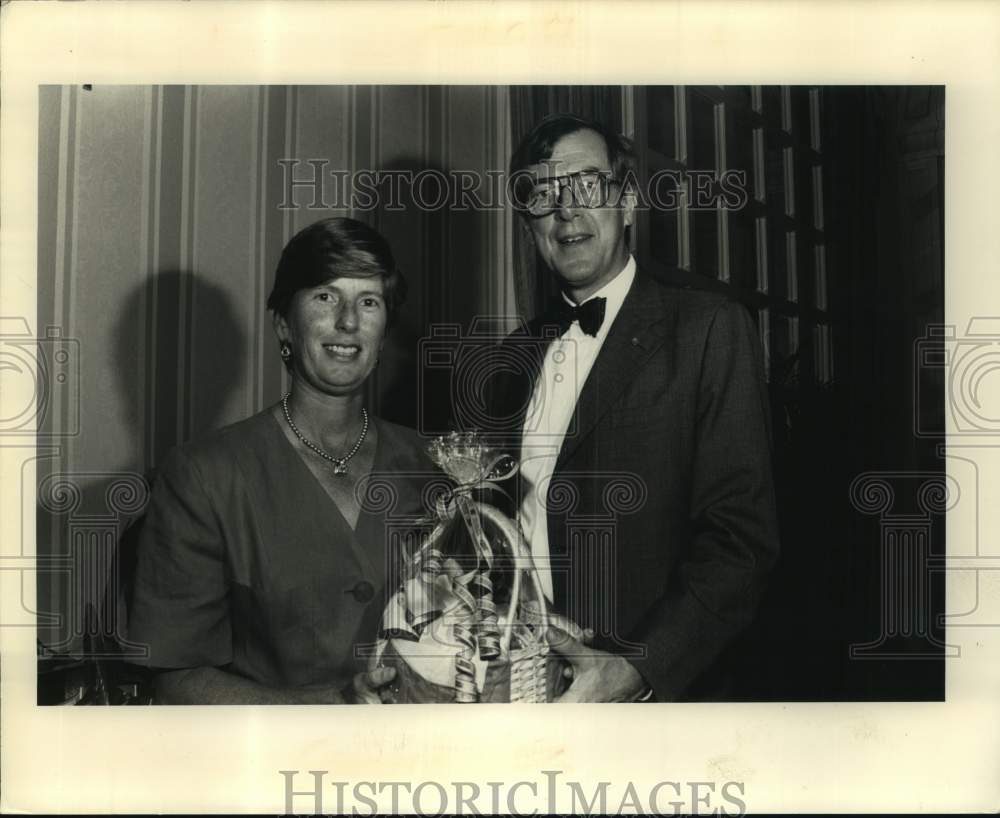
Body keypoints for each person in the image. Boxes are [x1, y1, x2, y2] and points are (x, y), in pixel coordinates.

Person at [490, 113, 780, 702]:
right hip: (521, 690)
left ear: (627, 202)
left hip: (652, 701)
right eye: (542, 194)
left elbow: (740, 544)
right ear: (530, 225)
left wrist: (632, 672)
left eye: (587, 186)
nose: (565, 209)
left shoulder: (709, 329)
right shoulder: (507, 360)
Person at [128, 217, 431, 704]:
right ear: (284, 324)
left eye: (369, 302)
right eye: (325, 297)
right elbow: (175, 680)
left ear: (383, 332)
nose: (348, 321)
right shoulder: (204, 475)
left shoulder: (434, 465)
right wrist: (332, 708)